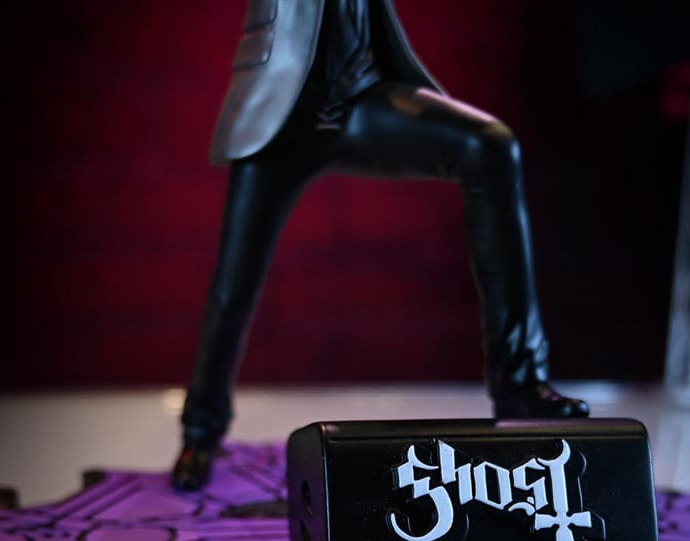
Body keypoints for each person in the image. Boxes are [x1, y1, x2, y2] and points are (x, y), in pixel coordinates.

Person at [173, 0, 589, 491]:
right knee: (232, 287)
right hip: (280, 112)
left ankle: (519, 382)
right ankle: (200, 430)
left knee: (490, 145)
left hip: (364, 98)